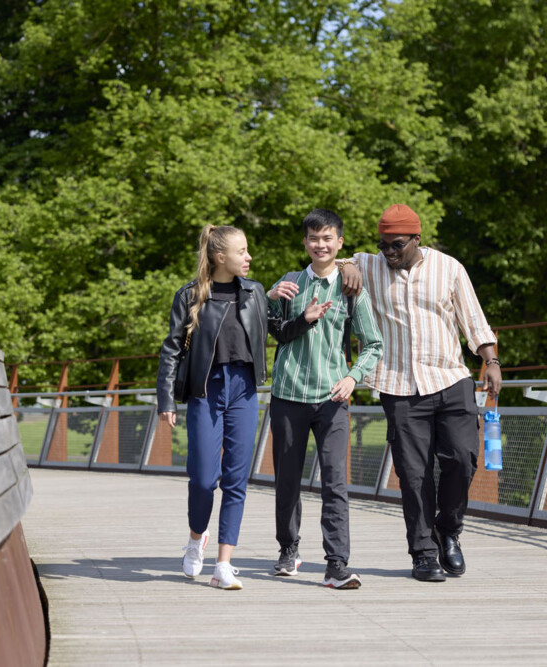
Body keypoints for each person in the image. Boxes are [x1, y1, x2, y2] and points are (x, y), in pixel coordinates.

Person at [338, 204, 502, 582]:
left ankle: (449, 530)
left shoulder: (450, 268)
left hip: (450, 378)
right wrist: (348, 263)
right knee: (414, 475)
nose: (389, 252)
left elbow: (472, 319)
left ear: (416, 239)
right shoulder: (370, 264)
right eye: (383, 245)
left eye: (396, 245)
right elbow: (338, 256)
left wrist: (491, 361)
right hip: (398, 385)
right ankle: (424, 553)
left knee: (463, 459)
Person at [266, 209, 383, 589]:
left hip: (333, 399)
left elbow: (374, 344)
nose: (321, 244)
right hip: (288, 394)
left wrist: (353, 378)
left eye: (328, 238)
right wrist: (295, 314)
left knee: (335, 483)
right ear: (305, 242)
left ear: (339, 243)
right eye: (314, 238)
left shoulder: (352, 290)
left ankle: (336, 564)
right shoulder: (288, 284)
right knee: (287, 480)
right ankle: (288, 549)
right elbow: (275, 333)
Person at [156, 224, 268, 590]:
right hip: (206, 389)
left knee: (236, 479)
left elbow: (277, 329)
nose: (249, 257)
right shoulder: (189, 295)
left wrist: (303, 316)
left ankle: (224, 564)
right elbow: (171, 349)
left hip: (244, 390)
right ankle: (195, 540)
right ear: (221, 257)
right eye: (242, 252)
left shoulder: (255, 293)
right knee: (204, 479)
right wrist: (166, 399)